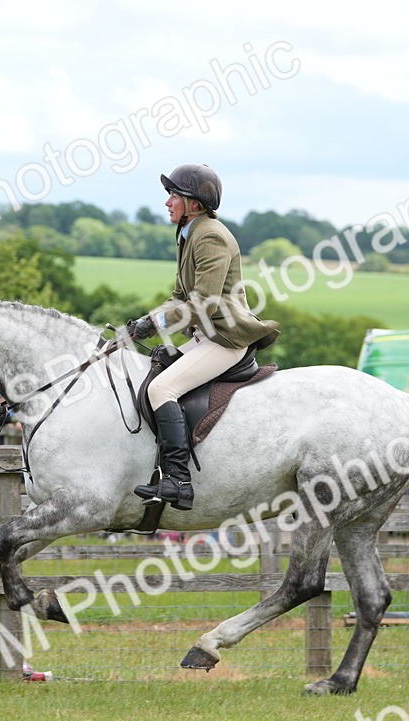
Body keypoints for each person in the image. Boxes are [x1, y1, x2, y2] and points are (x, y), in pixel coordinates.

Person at [125, 164, 280, 511]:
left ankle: (179, 480)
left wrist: (156, 324)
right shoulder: (188, 233)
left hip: (225, 338)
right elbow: (179, 296)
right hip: (205, 335)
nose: (167, 202)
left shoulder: (210, 236)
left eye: (173, 195)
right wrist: (147, 320)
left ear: (193, 204)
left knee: (161, 389)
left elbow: (203, 303)